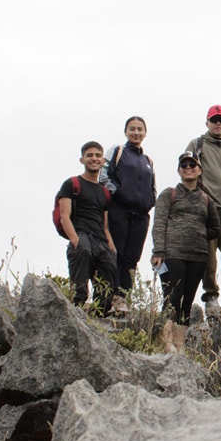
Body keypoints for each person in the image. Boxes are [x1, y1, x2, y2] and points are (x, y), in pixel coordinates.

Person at [150, 151, 220, 352]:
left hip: (198, 256)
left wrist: (197, 233)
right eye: (184, 166)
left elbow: (215, 228)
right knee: (172, 298)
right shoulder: (168, 194)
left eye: (192, 165)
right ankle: (167, 343)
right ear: (179, 170)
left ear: (200, 170)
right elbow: (159, 223)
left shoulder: (206, 199)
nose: (188, 168)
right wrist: (159, 250)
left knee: (187, 302)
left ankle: (180, 345)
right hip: (172, 254)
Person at [185, 104, 221, 304]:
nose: (218, 124)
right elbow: (187, 169)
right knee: (208, 257)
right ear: (207, 122)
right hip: (206, 207)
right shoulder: (197, 144)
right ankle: (211, 296)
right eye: (214, 120)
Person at [57, 141, 120, 315]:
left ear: (102, 160)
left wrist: (111, 247)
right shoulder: (72, 184)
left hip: (100, 239)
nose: (94, 159)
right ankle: (76, 311)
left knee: (107, 284)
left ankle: (98, 316)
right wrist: (76, 241)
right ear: (82, 160)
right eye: (89, 155)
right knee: (80, 288)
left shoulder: (104, 191)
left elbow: (105, 224)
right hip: (81, 235)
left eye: (98, 156)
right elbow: (64, 216)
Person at [103, 116, 156, 291]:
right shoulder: (117, 151)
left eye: (140, 129)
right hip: (119, 210)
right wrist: (118, 192)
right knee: (116, 253)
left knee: (132, 257)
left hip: (141, 215)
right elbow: (103, 175)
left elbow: (152, 185)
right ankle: (111, 295)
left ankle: (124, 296)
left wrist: (151, 200)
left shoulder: (147, 160)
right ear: (126, 131)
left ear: (145, 133)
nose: (136, 132)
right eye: (132, 129)